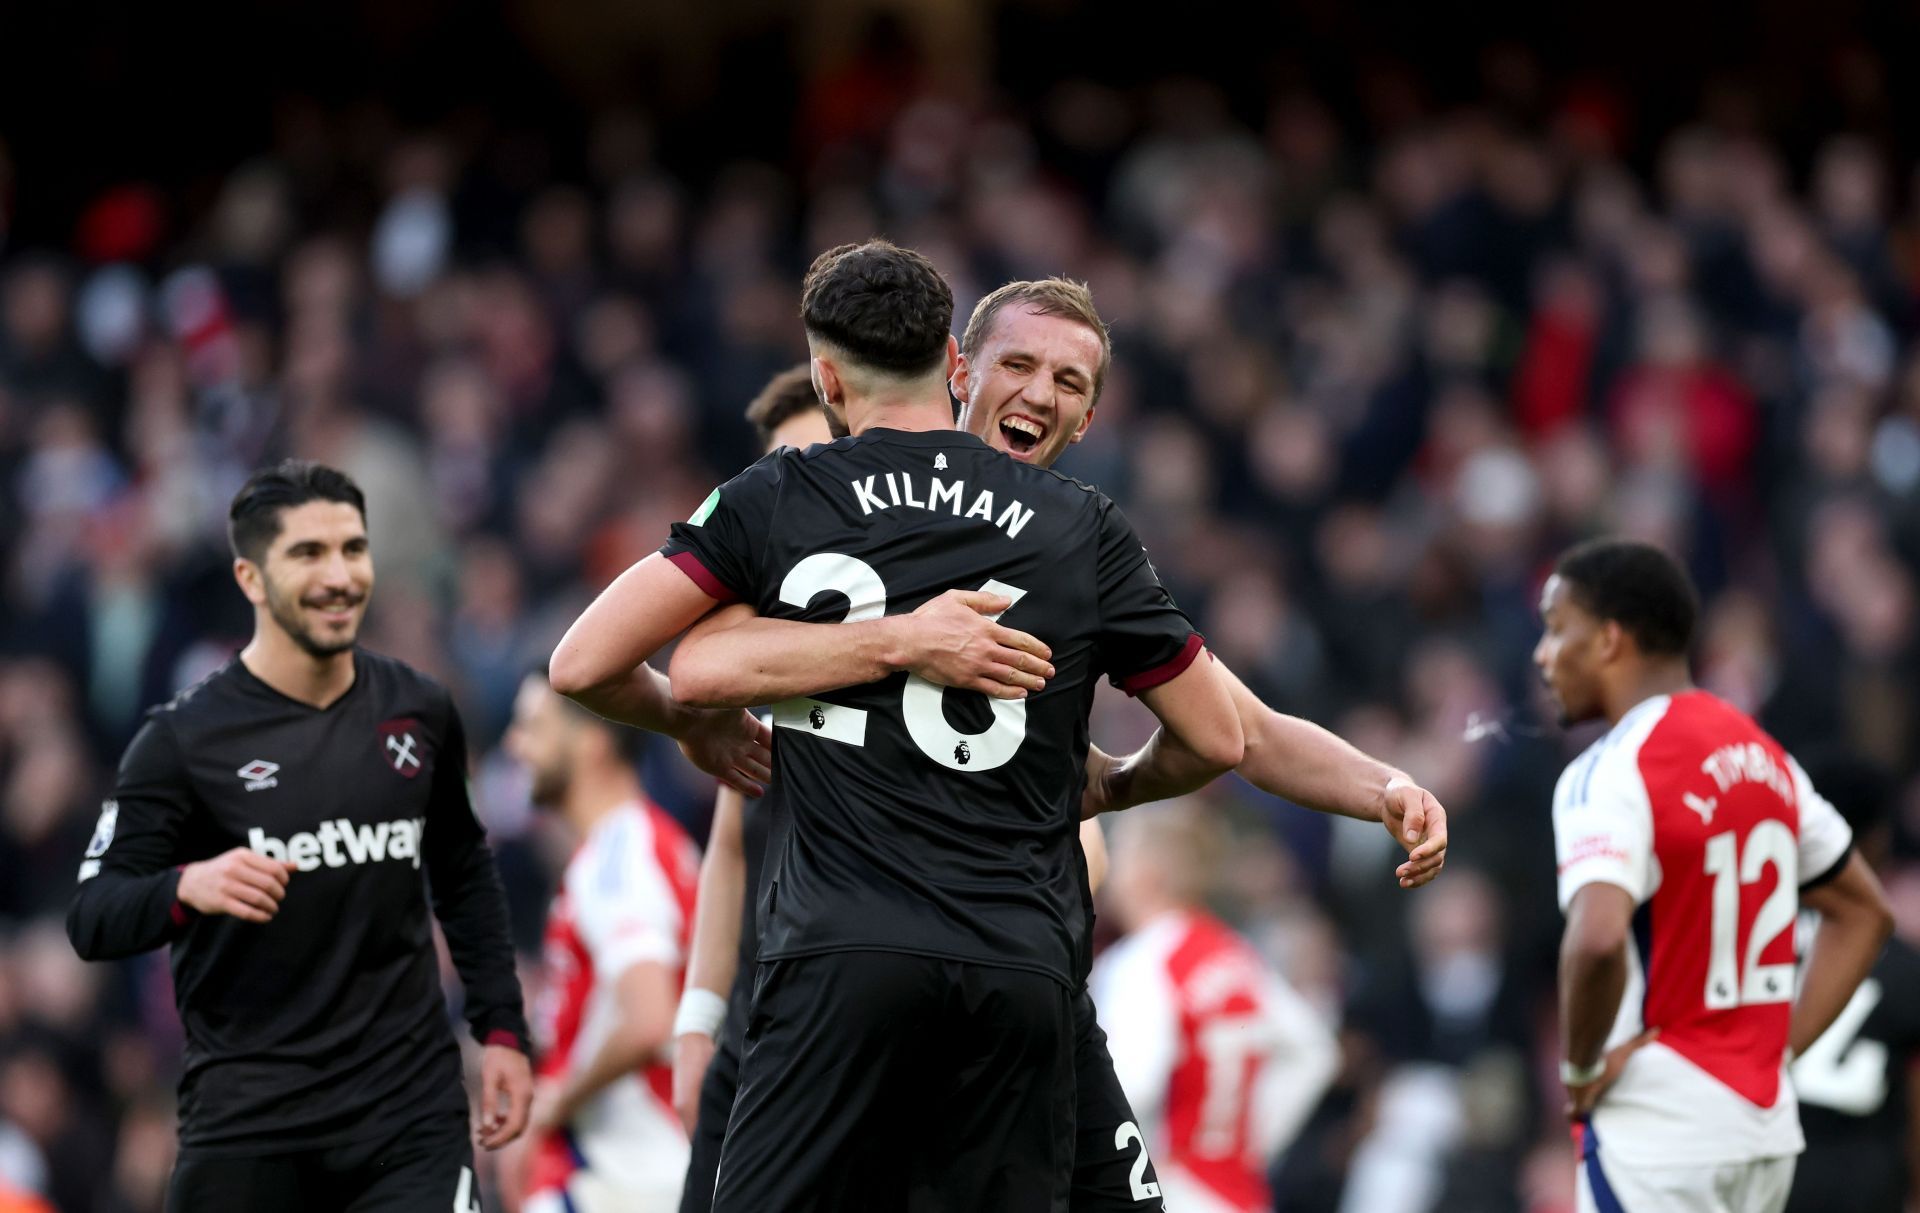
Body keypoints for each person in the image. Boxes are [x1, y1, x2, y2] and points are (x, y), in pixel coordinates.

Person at [666, 276, 1451, 1212]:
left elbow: (1244, 727)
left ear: (1090, 416)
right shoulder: (1053, 531)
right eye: (1023, 366)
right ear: (961, 369)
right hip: (930, 966)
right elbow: (1220, 735)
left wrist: (1380, 785)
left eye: (1070, 383)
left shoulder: (1063, 543)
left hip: (921, 970)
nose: (1042, 394)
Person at [550, 240, 1246, 1211]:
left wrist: (690, 723)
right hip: (1019, 967)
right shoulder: (1077, 522)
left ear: (827, 380)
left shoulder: (783, 493)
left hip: (841, 958)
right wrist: (1111, 783)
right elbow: (1223, 736)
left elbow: (587, 662)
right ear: (956, 367)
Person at [668, 362, 1135, 1213]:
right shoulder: (763, 656)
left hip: (913, 992)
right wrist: (698, 1014)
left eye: (832, 462)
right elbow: (731, 844)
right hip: (783, 1006)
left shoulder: (957, 635)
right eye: (798, 472)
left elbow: (1078, 836)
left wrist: (965, 924)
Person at [65, 459, 533, 1212]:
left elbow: (464, 875)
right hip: (251, 1128)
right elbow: (92, 915)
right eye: (308, 554)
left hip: (407, 1119)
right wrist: (187, 885)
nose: (340, 575)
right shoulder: (182, 741)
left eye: (353, 548)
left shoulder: (419, 710)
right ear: (251, 578)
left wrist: (502, 1027)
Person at [1535, 538, 1893, 1213]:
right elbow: (1866, 912)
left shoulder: (1611, 768)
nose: (1543, 654)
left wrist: (1579, 1068)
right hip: (1762, 1130)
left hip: (1659, 1130)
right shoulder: (1765, 757)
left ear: (1611, 639)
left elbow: (1597, 938)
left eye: (1557, 629)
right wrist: (1775, 1054)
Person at [506, 673, 701, 1213]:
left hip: (627, 1179)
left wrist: (552, 1104)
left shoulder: (622, 857)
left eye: (532, 728)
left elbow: (648, 1019)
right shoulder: (639, 843)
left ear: (593, 741)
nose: (513, 745)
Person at [1091, 803, 1340, 1213]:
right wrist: (1248, 1140)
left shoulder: (1143, 962)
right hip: (1240, 1195)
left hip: (1170, 1190)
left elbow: (1131, 1085)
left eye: (1121, 852)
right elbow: (1316, 1049)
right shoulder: (1232, 952)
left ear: (1147, 872)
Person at [1785, 752, 1920, 1213]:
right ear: (1879, 839)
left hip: (1766, 1172)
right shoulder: (1904, 965)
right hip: (1862, 1183)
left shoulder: (1755, 947)